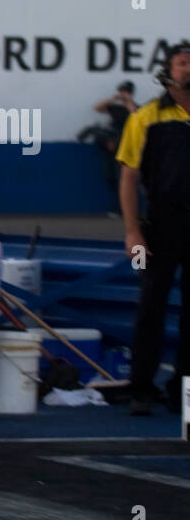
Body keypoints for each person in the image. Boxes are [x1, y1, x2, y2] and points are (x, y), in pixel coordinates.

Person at [116, 42, 190, 416]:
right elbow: (128, 178)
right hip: (161, 225)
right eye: (181, 63)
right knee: (151, 309)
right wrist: (132, 232)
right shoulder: (145, 117)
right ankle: (141, 389)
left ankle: (183, 393)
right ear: (167, 71)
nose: (188, 68)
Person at [94, 80, 138, 214]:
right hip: (112, 144)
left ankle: (124, 209)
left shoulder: (134, 106)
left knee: (123, 178)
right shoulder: (114, 107)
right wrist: (113, 99)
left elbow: (135, 114)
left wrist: (128, 100)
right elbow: (98, 108)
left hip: (126, 145)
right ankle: (120, 206)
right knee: (110, 176)